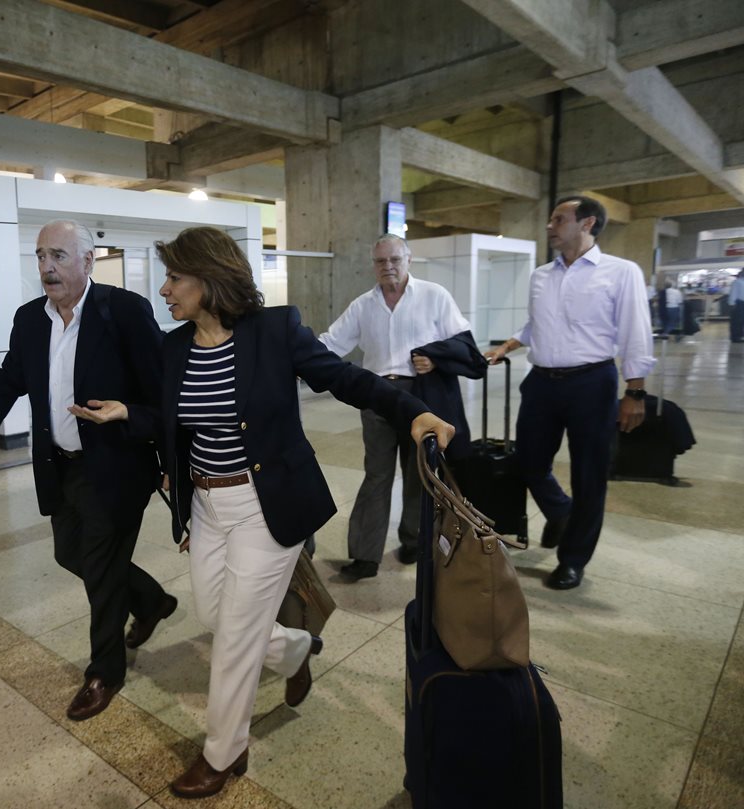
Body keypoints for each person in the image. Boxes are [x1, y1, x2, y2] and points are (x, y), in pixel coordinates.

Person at [70, 227, 453, 799]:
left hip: (264, 504)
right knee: (213, 614)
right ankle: (297, 649)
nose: (165, 288)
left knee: (234, 640)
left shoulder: (274, 332)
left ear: (210, 277)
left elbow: (344, 378)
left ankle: (223, 753)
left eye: (175, 276)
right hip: (205, 504)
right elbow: (175, 423)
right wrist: (131, 413)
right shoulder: (174, 347)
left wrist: (411, 410)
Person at [0, 219, 176, 723]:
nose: (47, 268)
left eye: (58, 256)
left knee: (100, 569)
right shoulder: (30, 319)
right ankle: (150, 600)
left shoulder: (122, 311)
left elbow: (160, 392)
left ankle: (105, 671)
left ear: (87, 261)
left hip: (117, 466)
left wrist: (170, 461)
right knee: (69, 553)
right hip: (60, 466)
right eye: (40, 257)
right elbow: (8, 378)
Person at [485, 196, 654, 590]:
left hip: (591, 384)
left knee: (589, 475)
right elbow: (536, 323)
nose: (549, 226)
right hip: (542, 383)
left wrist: (636, 392)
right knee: (527, 460)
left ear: (587, 223)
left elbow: (635, 331)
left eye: (559, 219)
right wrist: (508, 345)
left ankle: (573, 559)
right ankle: (560, 511)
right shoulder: (542, 275)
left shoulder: (621, 272)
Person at [320, 234, 484, 580]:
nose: (388, 267)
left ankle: (414, 540)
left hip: (421, 397)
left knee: (418, 475)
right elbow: (331, 344)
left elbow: (462, 342)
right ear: (374, 265)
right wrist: (292, 355)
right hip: (377, 395)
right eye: (381, 261)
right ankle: (365, 556)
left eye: (394, 259)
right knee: (377, 474)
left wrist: (436, 361)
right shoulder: (363, 304)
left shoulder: (434, 295)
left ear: (408, 259)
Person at [729, 270, 744, 343]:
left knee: (741, 321)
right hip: (739, 303)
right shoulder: (737, 282)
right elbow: (733, 293)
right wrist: (732, 304)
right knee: (737, 321)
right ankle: (735, 337)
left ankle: (740, 335)